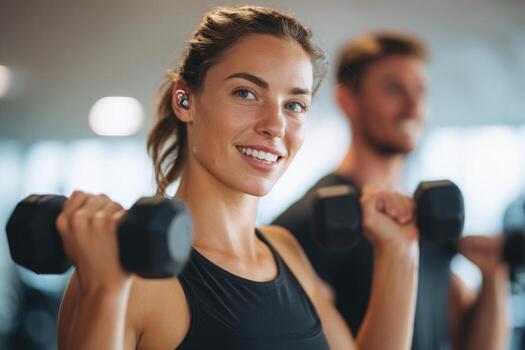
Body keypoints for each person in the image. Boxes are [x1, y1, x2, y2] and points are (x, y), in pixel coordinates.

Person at [55, 7, 422, 350]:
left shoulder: (287, 252)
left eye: (294, 105)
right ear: (185, 101)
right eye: (246, 93)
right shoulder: (132, 272)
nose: (275, 125)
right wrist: (103, 290)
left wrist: (399, 254)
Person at [273, 32, 510, 350]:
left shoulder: (422, 217)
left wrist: (493, 275)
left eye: (421, 91)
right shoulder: (303, 225)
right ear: (347, 101)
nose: (413, 108)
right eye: (394, 89)